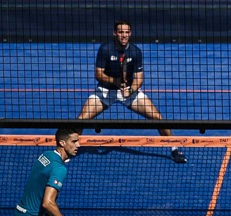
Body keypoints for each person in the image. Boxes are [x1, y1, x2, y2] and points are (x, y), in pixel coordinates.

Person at [77, 20, 187, 163]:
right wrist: (115, 81)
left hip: (129, 92)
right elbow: (99, 74)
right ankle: (69, 148)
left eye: (127, 32)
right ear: (115, 33)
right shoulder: (105, 49)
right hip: (105, 91)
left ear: (130, 33)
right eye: (121, 32)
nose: (124, 35)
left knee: (158, 118)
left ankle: (174, 149)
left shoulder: (135, 52)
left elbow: (139, 79)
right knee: (80, 120)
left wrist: (131, 90)